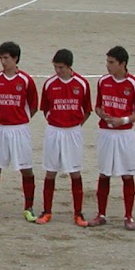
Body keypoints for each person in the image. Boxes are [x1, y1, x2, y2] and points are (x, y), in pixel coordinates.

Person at [0, 40, 38, 220]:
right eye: (1, 58)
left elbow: (33, 106)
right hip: (0, 129)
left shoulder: (26, 81)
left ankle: (29, 207)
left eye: (6, 58)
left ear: (15, 58)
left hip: (20, 130)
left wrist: (19, 118)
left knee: (26, 169)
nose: (3, 62)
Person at [90, 45, 135, 229]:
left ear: (122, 64)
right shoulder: (103, 81)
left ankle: (128, 216)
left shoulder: (134, 84)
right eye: (107, 61)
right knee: (104, 173)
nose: (108, 65)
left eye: (111, 62)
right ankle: (101, 214)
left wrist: (122, 120)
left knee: (127, 175)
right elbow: (97, 106)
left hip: (125, 134)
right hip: (105, 133)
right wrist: (102, 114)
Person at [37, 48, 92, 226]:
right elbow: (44, 108)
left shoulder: (82, 84)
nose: (57, 71)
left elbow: (87, 110)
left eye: (61, 67)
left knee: (75, 172)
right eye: (55, 67)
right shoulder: (49, 84)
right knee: (50, 171)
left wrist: (74, 125)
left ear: (69, 67)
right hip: (54, 130)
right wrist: (56, 122)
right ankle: (46, 211)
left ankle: (78, 213)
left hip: (73, 132)